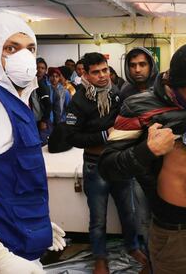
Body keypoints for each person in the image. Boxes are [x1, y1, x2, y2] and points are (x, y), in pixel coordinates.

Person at [99, 43, 186, 274]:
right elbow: (108, 167)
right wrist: (147, 150)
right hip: (175, 235)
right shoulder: (139, 107)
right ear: (177, 83)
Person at [0, 12, 65, 274]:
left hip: (18, 248)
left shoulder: (15, 101)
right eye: (11, 48)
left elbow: (9, 182)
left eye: (30, 48)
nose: (24, 57)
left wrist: (39, 224)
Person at [64, 52, 145, 274]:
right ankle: (100, 257)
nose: (102, 76)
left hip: (119, 163)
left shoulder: (117, 94)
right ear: (86, 75)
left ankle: (133, 247)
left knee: (128, 211)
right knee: (98, 218)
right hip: (95, 166)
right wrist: (103, 135)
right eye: (96, 72)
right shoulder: (78, 101)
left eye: (105, 70)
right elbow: (71, 137)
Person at [30, 57, 52, 145]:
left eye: (42, 68)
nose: (39, 70)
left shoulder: (42, 85)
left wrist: (44, 121)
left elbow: (48, 105)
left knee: (42, 144)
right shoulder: (30, 83)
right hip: (32, 119)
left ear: (45, 70)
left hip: (40, 120)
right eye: (37, 67)